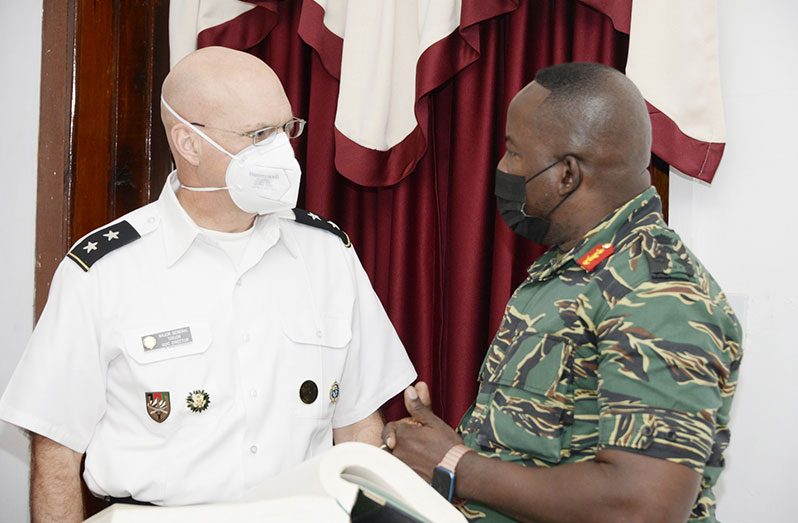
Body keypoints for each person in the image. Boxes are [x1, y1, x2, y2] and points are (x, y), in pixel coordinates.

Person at [0, 46, 416, 520]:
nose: (280, 149)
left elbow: (360, 421)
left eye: (286, 129)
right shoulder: (104, 271)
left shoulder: (325, 254)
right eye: (258, 134)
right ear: (189, 142)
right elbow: (55, 446)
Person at [383, 63, 742, 523]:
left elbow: (645, 506)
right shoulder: (569, 265)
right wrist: (451, 447)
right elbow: (536, 450)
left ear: (567, 174)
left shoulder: (657, 289)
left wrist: (454, 465)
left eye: (513, 152)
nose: (501, 168)